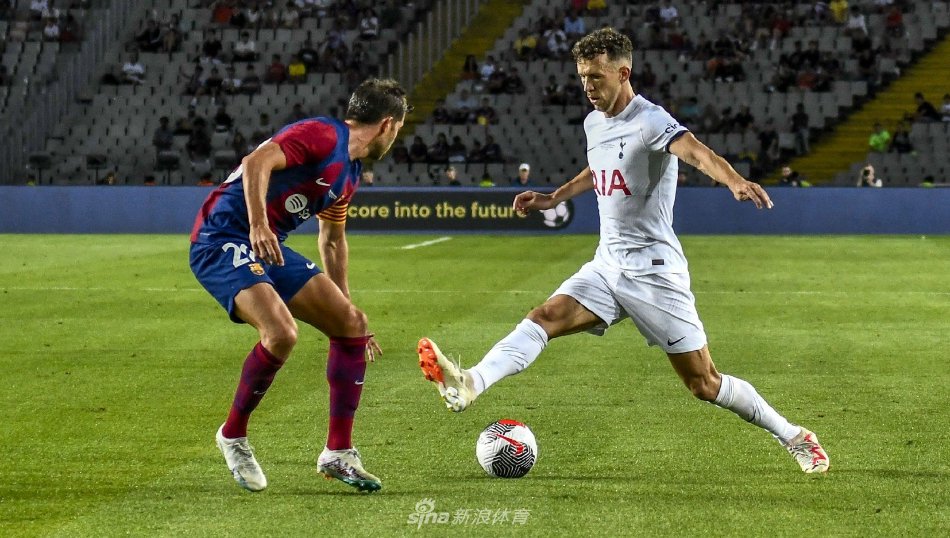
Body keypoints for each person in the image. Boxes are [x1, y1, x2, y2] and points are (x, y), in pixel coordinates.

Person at [416, 28, 829, 475]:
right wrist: (553, 198)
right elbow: (599, 168)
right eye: (582, 78)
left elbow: (695, 152)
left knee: (704, 383)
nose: (587, 87)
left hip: (654, 274)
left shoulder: (650, 120)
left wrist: (734, 180)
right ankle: (469, 382)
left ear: (623, 72)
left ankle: (794, 435)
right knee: (544, 317)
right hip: (607, 264)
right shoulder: (595, 122)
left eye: (595, 77)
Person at [190, 78, 410, 493]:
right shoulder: (323, 134)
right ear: (387, 125)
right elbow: (256, 162)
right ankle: (233, 435)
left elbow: (331, 239)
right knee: (280, 332)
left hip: (270, 245)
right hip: (221, 238)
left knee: (352, 323)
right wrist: (257, 224)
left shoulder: (350, 174)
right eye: (399, 128)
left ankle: (338, 454)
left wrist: (343, 306)